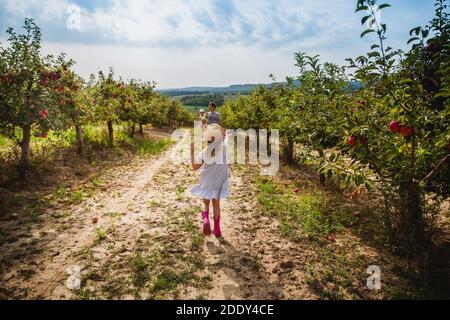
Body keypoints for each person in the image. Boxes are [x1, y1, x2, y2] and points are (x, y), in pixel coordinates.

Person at [190, 124, 229, 237]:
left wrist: (192, 152)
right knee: (216, 205)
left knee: (205, 202)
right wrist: (218, 129)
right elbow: (225, 133)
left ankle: (206, 219)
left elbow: (194, 167)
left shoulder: (205, 151)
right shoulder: (225, 148)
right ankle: (217, 229)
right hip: (219, 182)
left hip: (207, 181)